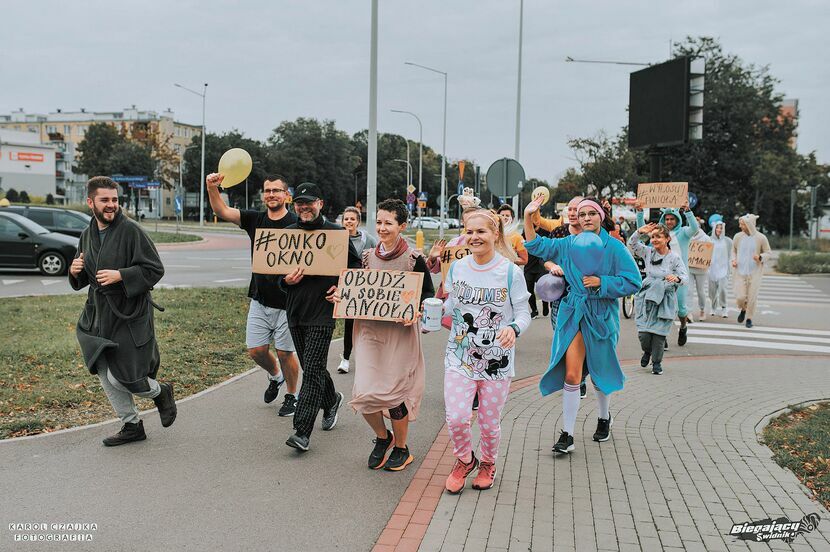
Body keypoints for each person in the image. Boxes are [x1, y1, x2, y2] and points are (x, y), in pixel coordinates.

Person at [524, 197, 641, 454]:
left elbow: (634, 281)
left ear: (601, 216)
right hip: (573, 312)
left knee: (600, 374)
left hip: (601, 317)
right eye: (582, 213)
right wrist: (528, 216)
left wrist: (603, 282)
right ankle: (567, 434)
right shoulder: (568, 243)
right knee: (571, 374)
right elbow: (536, 245)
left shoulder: (615, 247)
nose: (586, 217)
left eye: (592, 213)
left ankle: (603, 416)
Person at [69, 176, 176, 446]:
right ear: (90, 202)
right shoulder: (87, 233)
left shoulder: (131, 231)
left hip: (129, 314)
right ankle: (131, 425)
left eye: (115, 200)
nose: (111, 205)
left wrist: (121, 275)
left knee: (124, 377)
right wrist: (74, 272)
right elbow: (85, 276)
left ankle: (160, 392)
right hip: (98, 313)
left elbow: (155, 269)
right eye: (105, 200)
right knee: (103, 369)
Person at [332, 199, 435, 471]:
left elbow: (428, 294)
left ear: (402, 226)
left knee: (394, 392)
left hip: (399, 335)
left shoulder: (414, 259)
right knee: (364, 392)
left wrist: (416, 310)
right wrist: (340, 295)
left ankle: (402, 448)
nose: (382, 227)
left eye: (388, 222)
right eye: (378, 222)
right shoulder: (367, 256)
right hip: (369, 333)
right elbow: (356, 289)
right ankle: (382, 437)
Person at [441, 209, 531, 493]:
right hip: (460, 356)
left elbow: (524, 313)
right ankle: (464, 459)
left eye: (481, 231)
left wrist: (513, 328)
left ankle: (488, 463)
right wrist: (425, 312)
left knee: (489, 424)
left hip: (496, 361)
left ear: (495, 235)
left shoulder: (510, 272)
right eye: (470, 231)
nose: (475, 237)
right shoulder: (457, 268)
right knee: (456, 417)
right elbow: (449, 306)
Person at [206, 172, 301, 417]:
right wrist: (211, 188)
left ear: (286, 196)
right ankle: (275, 376)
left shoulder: (297, 223)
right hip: (260, 299)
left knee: (285, 352)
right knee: (256, 351)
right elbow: (222, 211)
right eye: (267, 190)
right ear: (263, 195)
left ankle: (292, 395)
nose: (271, 195)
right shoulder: (255, 219)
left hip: (288, 302)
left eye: (276, 190)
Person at [280, 183, 362, 452]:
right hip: (295, 312)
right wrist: (285, 281)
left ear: (320, 204)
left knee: (312, 369)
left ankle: (302, 431)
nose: (304, 208)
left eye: (309, 203)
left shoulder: (338, 234)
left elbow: (356, 271)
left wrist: (343, 288)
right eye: (299, 204)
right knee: (311, 368)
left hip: (323, 313)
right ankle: (332, 399)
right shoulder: (288, 234)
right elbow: (274, 276)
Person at [635, 200, 699, 346]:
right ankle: (661, 336)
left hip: (678, 277)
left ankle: (683, 327)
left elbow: (694, 228)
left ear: (677, 220)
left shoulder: (683, 232)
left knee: (681, 309)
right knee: (659, 306)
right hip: (660, 277)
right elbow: (642, 231)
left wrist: (688, 211)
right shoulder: (658, 234)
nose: (669, 221)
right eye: (667, 219)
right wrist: (639, 213)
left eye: (672, 219)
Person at [542, 196, 588, 398]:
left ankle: (580, 379)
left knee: (580, 339)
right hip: (559, 294)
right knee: (562, 336)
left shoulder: (590, 235)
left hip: (583, 296)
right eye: (569, 209)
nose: (571, 213)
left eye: (576, 209)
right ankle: (570, 376)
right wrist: (554, 267)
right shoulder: (559, 233)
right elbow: (547, 259)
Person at [628, 223, 687, 375]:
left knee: (659, 335)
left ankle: (656, 363)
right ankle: (647, 352)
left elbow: (684, 277)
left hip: (664, 298)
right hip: (647, 296)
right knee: (644, 334)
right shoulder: (648, 252)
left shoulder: (674, 258)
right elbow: (632, 245)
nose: (654, 240)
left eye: (658, 236)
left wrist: (676, 278)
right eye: (652, 237)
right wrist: (639, 232)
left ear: (667, 239)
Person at [338, 206, 378, 374]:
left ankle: (368, 359)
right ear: (342, 221)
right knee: (349, 323)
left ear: (358, 222)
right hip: (344, 287)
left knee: (367, 324)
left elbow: (378, 254)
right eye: (346, 219)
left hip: (365, 287)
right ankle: (346, 358)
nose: (349, 222)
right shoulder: (337, 237)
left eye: (352, 219)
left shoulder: (367, 239)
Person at [732, 214, 771, 328]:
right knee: (740, 297)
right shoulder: (738, 237)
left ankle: (749, 318)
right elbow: (733, 251)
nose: (740, 226)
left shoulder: (761, 238)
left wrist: (760, 257)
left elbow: (768, 253)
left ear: (749, 225)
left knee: (752, 297)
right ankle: (743, 309)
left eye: (742, 224)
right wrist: (734, 260)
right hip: (740, 272)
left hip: (755, 273)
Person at [708, 218, 733, 318]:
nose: (719, 230)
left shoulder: (728, 241)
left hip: (724, 269)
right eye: (717, 228)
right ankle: (713, 307)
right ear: (714, 229)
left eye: (721, 228)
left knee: (723, 289)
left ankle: (724, 307)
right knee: (712, 291)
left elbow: (734, 251)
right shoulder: (709, 240)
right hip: (712, 269)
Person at [687, 222, 711, 321]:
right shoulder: (687, 237)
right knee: (689, 290)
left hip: (701, 269)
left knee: (700, 291)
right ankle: (688, 312)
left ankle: (702, 310)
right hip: (689, 268)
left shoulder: (706, 238)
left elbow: (709, 253)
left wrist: (707, 262)